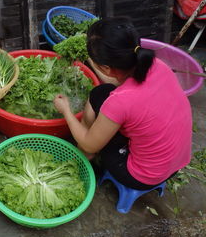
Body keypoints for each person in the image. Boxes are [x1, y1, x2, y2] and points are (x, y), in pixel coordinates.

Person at [53, 17, 192, 190]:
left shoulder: (120, 101)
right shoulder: (157, 64)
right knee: (100, 94)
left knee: (92, 130)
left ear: (106, 68)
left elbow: (91, 142)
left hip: (142, 175)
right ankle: (87, 147)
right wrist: (91, 60)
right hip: (176, 163)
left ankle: (84, 155)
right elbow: (117, 78)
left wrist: (66, 110)